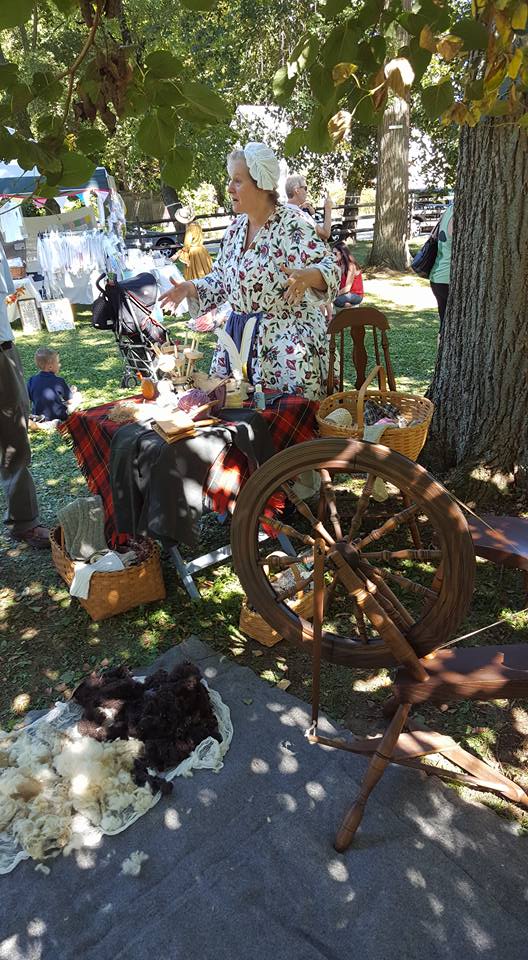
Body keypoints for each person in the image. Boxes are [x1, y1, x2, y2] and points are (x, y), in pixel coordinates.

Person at [160, 143, 339, 401]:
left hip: (283, 344)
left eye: (238, 181)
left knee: (284, 424)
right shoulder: (235, 230)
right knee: (235, 420)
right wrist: (190, 288)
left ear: (262, 184)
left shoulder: (292, 223)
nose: (230, 188)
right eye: (230, 180)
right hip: (237, 341)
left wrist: (309, 276)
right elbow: (222, 279)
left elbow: (330, 267)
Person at [0, 241, 50, 548]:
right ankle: (24, 522)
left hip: (3, 348)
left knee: (13, 439)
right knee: (12, 438)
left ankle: (23, 521)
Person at [26, 347, 81, 424]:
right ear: (50, 367)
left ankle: (41, 421)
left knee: (59, 401)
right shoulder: (59, 381)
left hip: (38, 414)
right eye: (58, 362)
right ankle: (54, 422)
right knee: (78, 395)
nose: (60, 365)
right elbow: (70, 401)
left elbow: (28, 399)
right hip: (58, 415)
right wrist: (72, 393)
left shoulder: (31, 380)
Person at [284, 174, 333, 242]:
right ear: (297, 190)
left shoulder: (279, 212)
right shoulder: (303, 216)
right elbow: (325, 234)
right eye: (305, 188)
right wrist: (328, 208)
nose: (307, 192)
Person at [429, 201, 453, 328]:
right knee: (449, 328)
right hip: (447, 279)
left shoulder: (448, 211)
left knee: (444, 326)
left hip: (437, 277)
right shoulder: (457, 214)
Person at [332, 241, 364, 311]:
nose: (333, 256)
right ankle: (346, 306)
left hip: (355, 295)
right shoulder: (338, 265)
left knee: (335, 300)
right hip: (345, 294)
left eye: (335, 253)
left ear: (342, 253)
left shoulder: (351, 266)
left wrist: (333, 294)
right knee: (329, 299)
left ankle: (348, 308)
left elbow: (347, 288)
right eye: (332, 254)